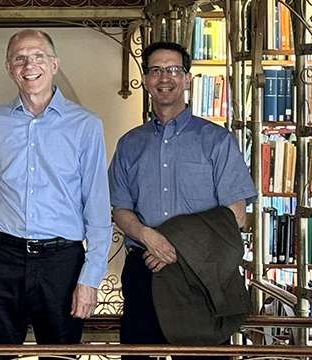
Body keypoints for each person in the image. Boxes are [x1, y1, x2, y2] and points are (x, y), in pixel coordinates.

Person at [109, 41, 256, 360]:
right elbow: (119, 208)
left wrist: (173, 245)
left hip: (201, 271)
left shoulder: (217, 140)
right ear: (146, 79)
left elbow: (236, 214)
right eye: (156, 70)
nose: (165, 77)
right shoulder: (129, 144)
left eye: (174, 69)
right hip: (143, 269)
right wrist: (149, 237)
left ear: (188, 78)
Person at [0, 29, 112, 357]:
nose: (29, 64)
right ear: (10, 69)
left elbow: (96, 205)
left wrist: (90, 278)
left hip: (60, 263)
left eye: (37, 56)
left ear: (53, 64)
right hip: (1, 258)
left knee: (61, 354)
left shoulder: (85, 125)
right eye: (20, 58)